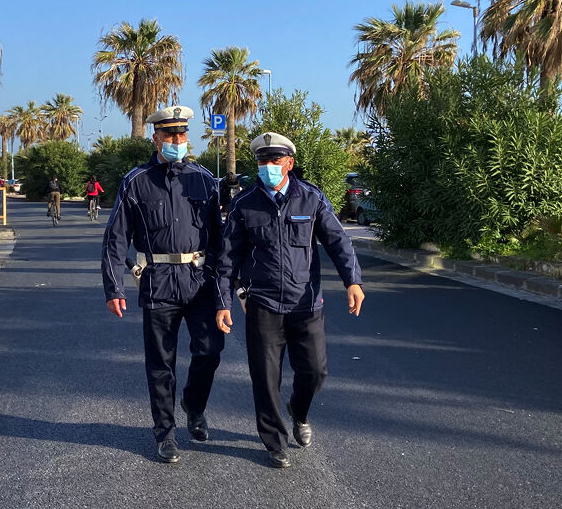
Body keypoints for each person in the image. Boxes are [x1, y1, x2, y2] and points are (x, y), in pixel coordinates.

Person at [215, 132, 365, 469]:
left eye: (275, 160)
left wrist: (353, 281)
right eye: (262, 160)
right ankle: (274, 441)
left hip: (306, 304)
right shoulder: (244, 204)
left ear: (289, 163)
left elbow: (338, 241)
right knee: (266, 377)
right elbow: (227, 258)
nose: (267, 166)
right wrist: (223, 302)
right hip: (263, 304)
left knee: (315, 370)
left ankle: (299, 410)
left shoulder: (311, 198)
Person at [101, 105, 224, 463]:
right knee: (160, 362)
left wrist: (222, 283)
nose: (177, 140)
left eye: (181, 134)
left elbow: (220, 237)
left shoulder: (204, 180)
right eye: (169, 135)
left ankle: (194, 405)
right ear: (155, 138)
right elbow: (116, 238)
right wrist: (114, 287)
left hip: (199, 281)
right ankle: (165, 432)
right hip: (157, 282)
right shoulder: (136, 181)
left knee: (210, 351)